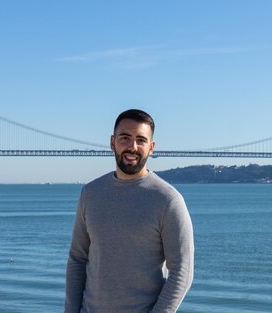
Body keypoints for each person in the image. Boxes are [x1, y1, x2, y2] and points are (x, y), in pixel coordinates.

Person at [64, 109, 194, 313]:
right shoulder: (90, 193)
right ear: (112, 142)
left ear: (151, 148)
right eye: (125, 138)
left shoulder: (168, 200)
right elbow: (78, 258)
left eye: (140, 140)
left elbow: (182, 271)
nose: (132, 147)